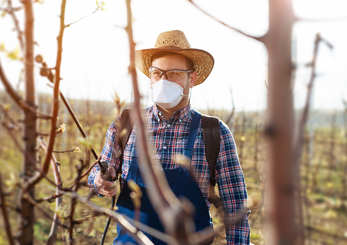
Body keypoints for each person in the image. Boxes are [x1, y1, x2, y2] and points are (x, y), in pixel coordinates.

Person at [88, 30, 250, 245]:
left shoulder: (214, 132)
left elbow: (235, 204)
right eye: (157, 73)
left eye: (174, 73)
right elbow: (97, 175)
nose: (163, 80)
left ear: (191, 78)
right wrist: (100, 182)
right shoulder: (126, 123)